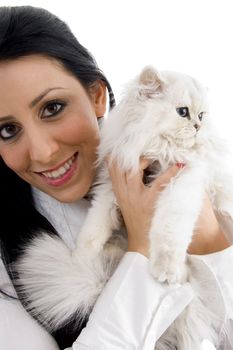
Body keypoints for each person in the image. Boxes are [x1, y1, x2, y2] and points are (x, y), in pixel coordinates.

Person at [0, 5, 232, 350]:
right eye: (7, 130)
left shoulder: (205, 170)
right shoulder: (7, 274)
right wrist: (141, 251)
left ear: (96, 96)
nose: (42, 152)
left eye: (52, 108)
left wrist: (211, 241)